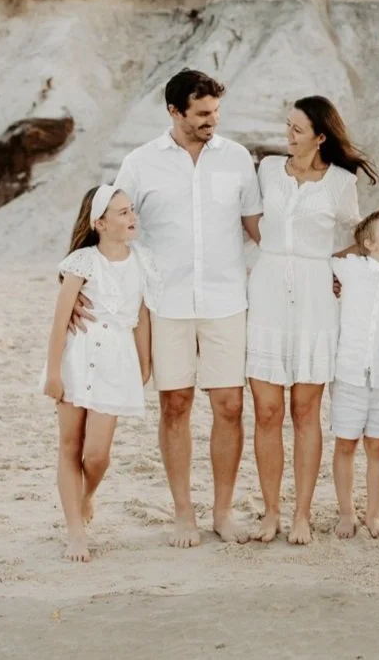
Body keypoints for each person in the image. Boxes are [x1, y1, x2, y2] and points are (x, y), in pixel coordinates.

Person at [108, 69, 262, 547]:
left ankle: (222, 512)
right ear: (174, 112)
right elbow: (113, 224)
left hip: (226, 300)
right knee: (175, 405)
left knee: (230, 406)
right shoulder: (140, 163)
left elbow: (257, 228)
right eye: (201, 114)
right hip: (166, 301)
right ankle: (182, 513)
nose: (211, 121)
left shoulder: (237, 159)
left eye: (215, 112)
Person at [244, 96, 373, 545]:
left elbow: (362, 236)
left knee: (304, 411)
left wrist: (332, 265)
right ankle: (270, 512)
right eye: (287, 126)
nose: (288, 135)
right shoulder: (266, 172)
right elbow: (250, 221)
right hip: (267, 292)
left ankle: (300, 514)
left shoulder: (340, 182)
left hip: (317, 299)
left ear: (320, 137)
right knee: (266, 410)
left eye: (297, 130)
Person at [40, 185, 156, 561]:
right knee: (69, 446)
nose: (131, 218)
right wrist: (53, 372)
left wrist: (144, 362)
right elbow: (60, 321)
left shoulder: (142, 260)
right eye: (122, 213)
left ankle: (87, 495)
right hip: (77, 355)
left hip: (116, 361)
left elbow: (141, 316)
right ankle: (75, 530)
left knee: (97, 454)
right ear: (100, 222)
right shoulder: (82, 261)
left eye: (131, 210)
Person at [329, 209, 379, 540]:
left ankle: (373, 515)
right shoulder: (351, 269)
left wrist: (378, 238)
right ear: (370, 244)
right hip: (348, 375)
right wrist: (359, 246)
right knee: (345, 444)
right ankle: (346, 513)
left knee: (378, 448)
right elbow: (331, 255)